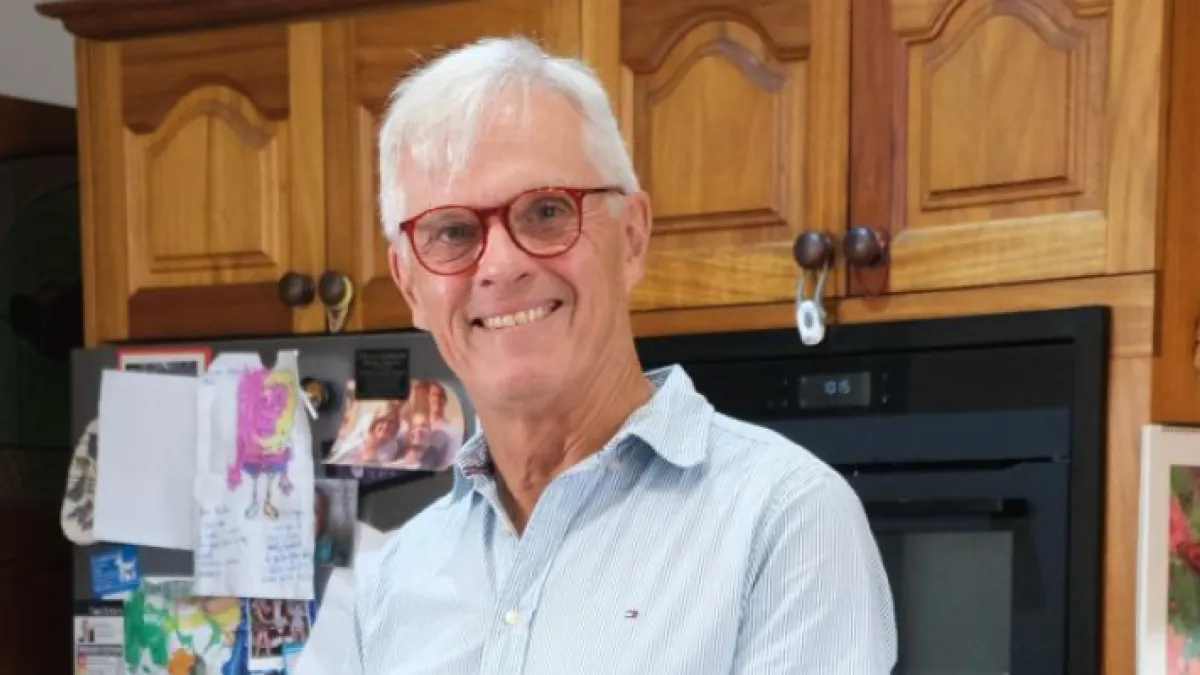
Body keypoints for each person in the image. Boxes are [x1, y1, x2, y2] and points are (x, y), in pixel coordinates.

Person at [349, 36, 896, 674]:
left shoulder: (783, 520)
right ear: (409, 285)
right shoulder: (391, 581)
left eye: (546, 211)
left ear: (632, 237)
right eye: (451, 232)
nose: (500, 265)